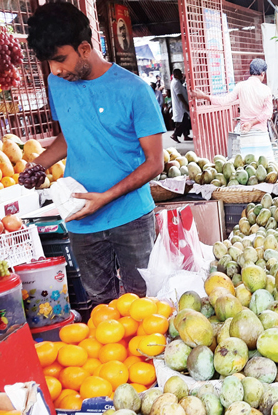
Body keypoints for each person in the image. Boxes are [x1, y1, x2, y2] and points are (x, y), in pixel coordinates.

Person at [25, 2, 166, 304]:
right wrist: (38, 165)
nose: (55, 70)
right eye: (49, 62)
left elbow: (155, 163)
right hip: (80, 218)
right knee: (100, 304)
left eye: (60, 59)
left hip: (131, 217)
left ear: (85, 48)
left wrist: (105, 197)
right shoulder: (58, 82)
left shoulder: (134, 90)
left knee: (143, 302)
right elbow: (70, 136)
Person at [191, 58, 274, 160]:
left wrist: (205, 96)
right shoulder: (266, 90)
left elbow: (224, 100)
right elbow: (267, 113)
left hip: (246, 134)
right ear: (262, 73)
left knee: (249, 167)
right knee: (265, 166)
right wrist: (252, 123)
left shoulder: (240, 86)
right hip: (261, 134)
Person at [170, 68, 192, 143]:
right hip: (180, 105)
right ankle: (175, 134)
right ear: (175, 75)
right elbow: (179, 95)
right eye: (179, 74)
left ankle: (186, 135)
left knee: (185, 120)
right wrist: (185, 104)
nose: (181, 75)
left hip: (181, 105)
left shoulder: (177, 82)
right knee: (182, 121)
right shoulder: (176, 83)